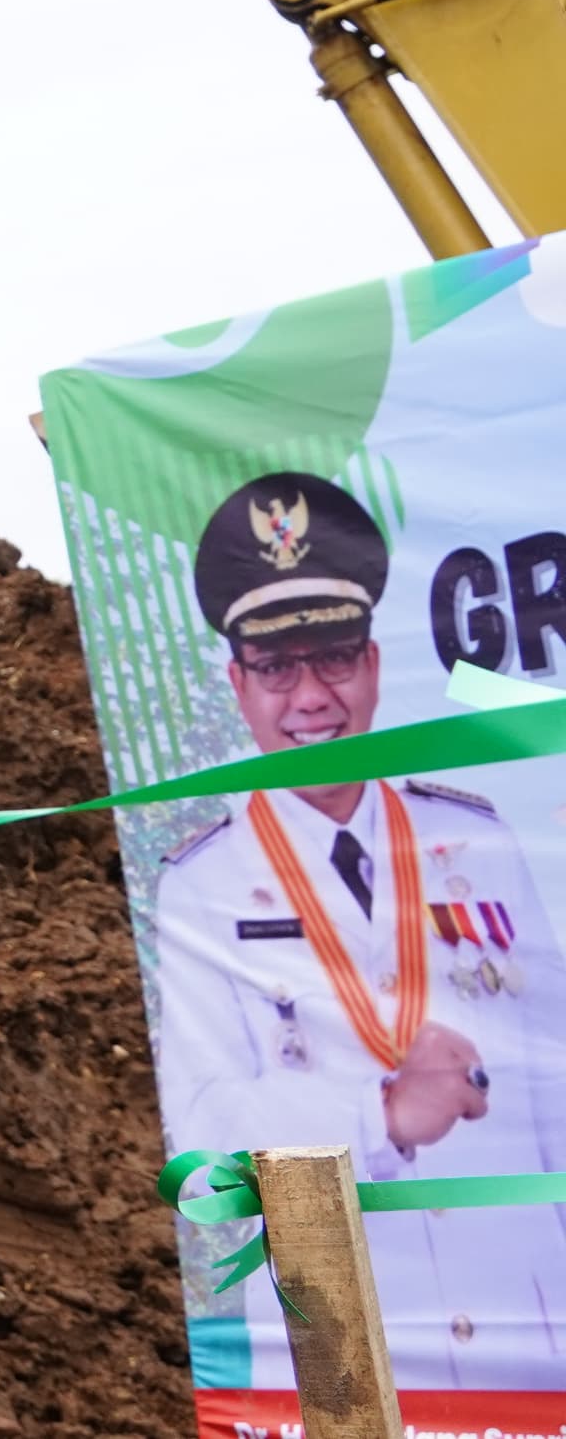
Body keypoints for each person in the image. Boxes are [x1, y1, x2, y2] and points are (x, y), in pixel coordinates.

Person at [152, 469, 566, 1393]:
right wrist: (376, 1117)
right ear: (239, 685)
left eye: (334, 658)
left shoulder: (480, 840)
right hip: (343, 1350)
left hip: (532, 1332)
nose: (310, 698)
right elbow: (204, 1161)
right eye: (276, 667)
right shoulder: (200, 887)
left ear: (373, 666)